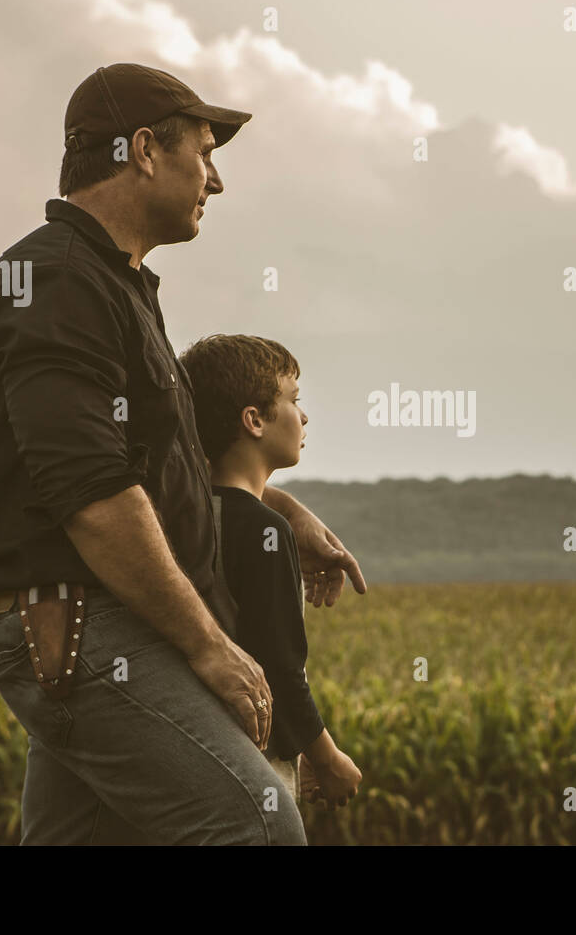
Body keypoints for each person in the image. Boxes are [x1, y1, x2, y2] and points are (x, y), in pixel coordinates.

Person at [0, 63, 366, 844]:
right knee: (262, 825)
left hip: (95, 627)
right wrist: (209, 646)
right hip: (93, 632)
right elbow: (93, 495)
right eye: (205, 154)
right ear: (144, 150)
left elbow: (163, 470)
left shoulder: (116, 287)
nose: (216, 181)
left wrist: (284, 509)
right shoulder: (55, 283)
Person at [179, 334, 363, 812]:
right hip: (251, 754)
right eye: (293, 400)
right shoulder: (266, 528)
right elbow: (280, 668)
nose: (303, 417)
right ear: (254, 420)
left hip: (196, 748)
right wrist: (327, 757)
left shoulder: (184, 519)